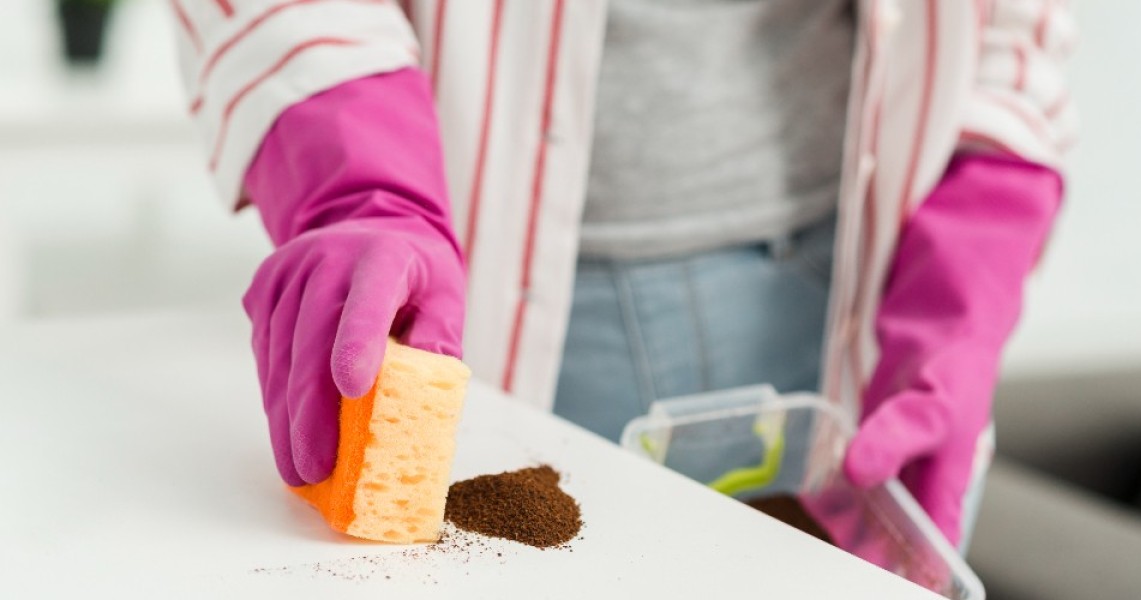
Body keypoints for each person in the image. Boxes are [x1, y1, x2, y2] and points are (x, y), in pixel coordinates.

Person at [171, 0, 1076, 550]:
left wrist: (971, 262)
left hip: (840, 299)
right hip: (505, 315)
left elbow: (1012, 26)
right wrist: (355, 167)